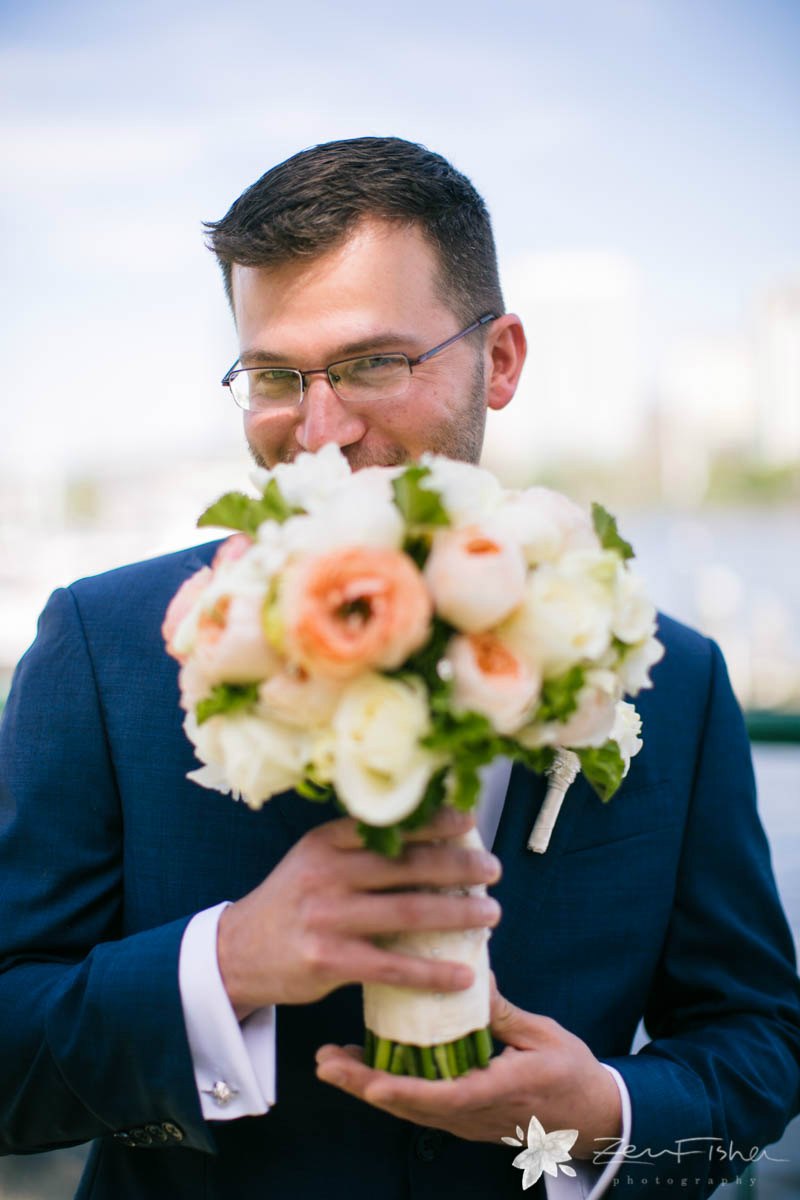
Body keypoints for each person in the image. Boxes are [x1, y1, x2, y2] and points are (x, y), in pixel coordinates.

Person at [1, 137, 798, 1200]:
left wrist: (601, 1116)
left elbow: (755, 1043)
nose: (319, 431)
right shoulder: (103, 644)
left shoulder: (674, 677)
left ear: (498, 360)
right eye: (277, 375)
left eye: (375, 361)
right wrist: (227, 963)